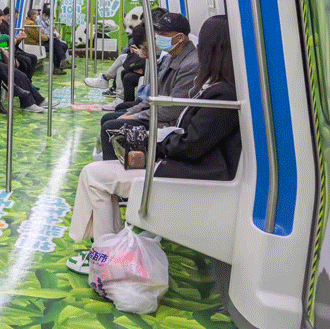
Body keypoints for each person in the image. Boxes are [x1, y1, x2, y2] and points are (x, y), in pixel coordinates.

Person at [66, 15, 239, 273]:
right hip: (181, 158)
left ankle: (105, 255)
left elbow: (189, 143)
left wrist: (153, 143)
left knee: (93, 176)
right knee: (94, 173)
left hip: (190, 168)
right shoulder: (215, 86)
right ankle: (107, 249)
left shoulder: (221, 93)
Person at [98, 12, 199, 161]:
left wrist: (136, 116)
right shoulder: (171, 56)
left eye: (164, 34)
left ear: (180, 38)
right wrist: (131, 112)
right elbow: (154, 94)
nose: (159, 38)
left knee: (110, 127)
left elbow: (172, 110)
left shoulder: (190, 65)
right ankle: (114, 161)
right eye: (159, 34)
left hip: (169, 123)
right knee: (109, 118)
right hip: (160, 112)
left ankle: (117, 169)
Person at [0, 7, 38, 78]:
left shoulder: (8, 25)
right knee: (26, 61)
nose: (15, 20)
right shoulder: (1, 26)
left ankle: (27, 81)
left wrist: (18, 39)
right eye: (15, 18)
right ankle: (24, 81)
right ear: (8, 16)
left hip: (13, 48)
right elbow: (4, 43)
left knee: (32, 58)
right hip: (9, 50)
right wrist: (15, 40)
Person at [25, 8, 66, 74]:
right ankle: (61, 63)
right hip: (36, 43)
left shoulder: (33, 23)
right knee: (56, 44)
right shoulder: (30, 24)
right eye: (37, 15)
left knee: (59, 44)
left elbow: (41, 33)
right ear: (32, 15)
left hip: (38, 41)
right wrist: (48, 37)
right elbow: (39, 36)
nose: (38, 16)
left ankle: (60, 64)